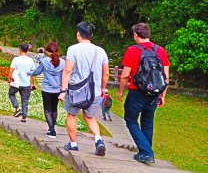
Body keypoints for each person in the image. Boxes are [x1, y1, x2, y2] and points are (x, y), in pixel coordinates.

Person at [118, 23, 170, 164]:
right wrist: (163, 95)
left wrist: (121, 90)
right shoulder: (161, 51)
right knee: (147, 121)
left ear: (136, 35)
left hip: (137, 91)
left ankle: (147, 152)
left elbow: (125, 75)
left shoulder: (133, 51)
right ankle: (145, 151)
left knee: (131, 120)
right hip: (154, 93)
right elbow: (166, 76)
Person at [59, 21, 109, 155]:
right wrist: (103, 88)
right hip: (95, 91)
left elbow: (68, 70)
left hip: (76, 91)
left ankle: (73, 144)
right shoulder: (101, 51)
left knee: (72, 116)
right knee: (90, 117)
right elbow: (106, 73)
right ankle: (98, 139)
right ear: (91, 35)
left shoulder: (73, 49)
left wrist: (63, 91)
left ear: (78, 34)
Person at [29, 42, 65, 138]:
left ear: (48, 52)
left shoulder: (44, 61)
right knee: (54, 109)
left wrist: (29, 72)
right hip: (57, 89)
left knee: (47, 110)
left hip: (47, 89)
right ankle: (51, 128)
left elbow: (37, 72)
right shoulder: (62, 62)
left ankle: (52, 130)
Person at [8, 43, 35, 123]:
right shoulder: (30, 60)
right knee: (25, 100)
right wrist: (33, 83)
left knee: (11, 94)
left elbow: (11, 71)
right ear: (28, 50)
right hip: (26, 84)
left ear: (20, 49)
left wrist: (9, 79)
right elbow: (33, 73)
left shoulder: (16, 59)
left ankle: (17, 107)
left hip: (16, 83)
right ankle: (24, 117)